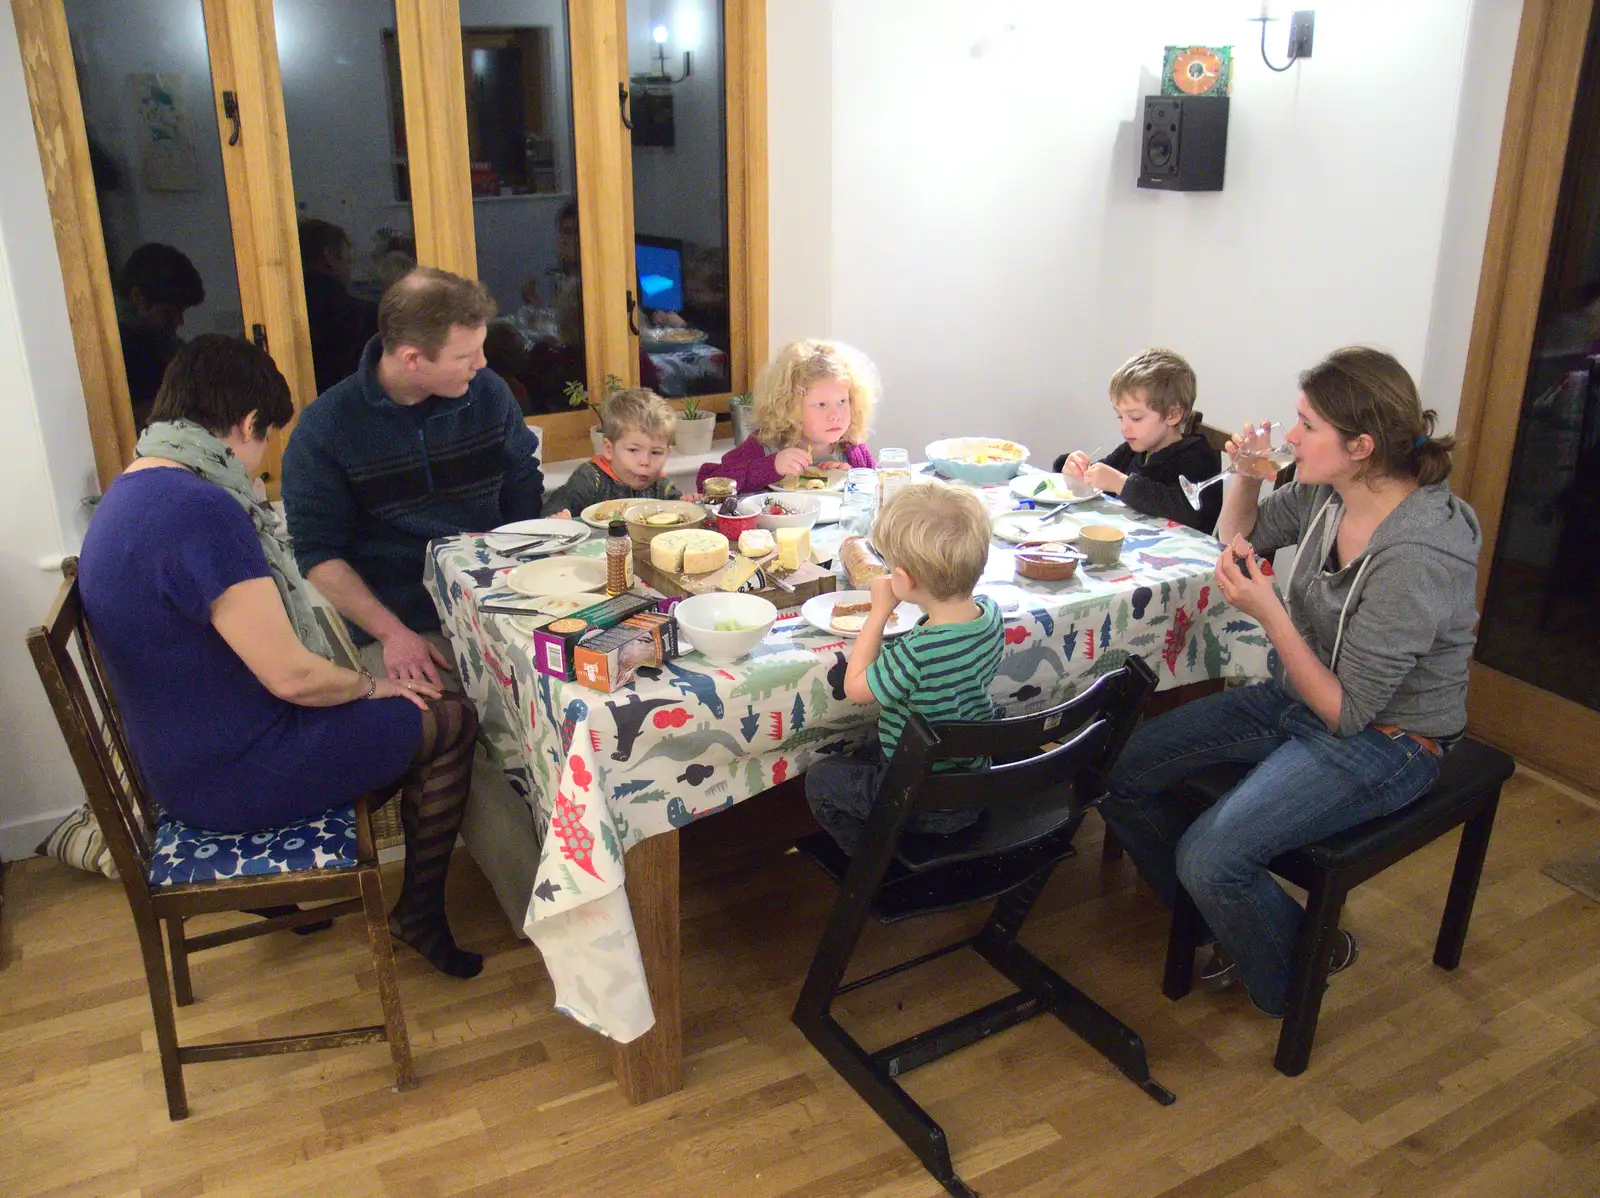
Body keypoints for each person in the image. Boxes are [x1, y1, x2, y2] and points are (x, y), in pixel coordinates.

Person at [77, 335, 484, 978]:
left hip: (178, 761)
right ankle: (418, 914)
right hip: (231, 776)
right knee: (450, 716)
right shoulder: (201, 509)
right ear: (245, 424)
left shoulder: (130, 490)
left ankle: (295, 895)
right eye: (262, 443)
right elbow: (291, 676)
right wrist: (373, 687)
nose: (258, 464)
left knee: (392, 700)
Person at [1095, 347, 1481, 1017]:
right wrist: (1244, 475)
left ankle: (1289, 977)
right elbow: (1236, 538)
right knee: (1114, 771)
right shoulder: (1331, 491)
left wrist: (1271, 613)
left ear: (1361, 445)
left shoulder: (1417, 552)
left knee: (1211, 856)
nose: (1291, 436)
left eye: (1306, 425)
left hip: (1388, 739)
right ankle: (1250, 931)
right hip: (1298, 696)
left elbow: (1348, 713)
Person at [282, 266, 545, 690]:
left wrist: (530, 563)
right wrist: (392, 634)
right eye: (465, 356)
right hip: (405, 621)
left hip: (503, 601)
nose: (481, 363)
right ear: (412, 359)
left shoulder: (489, 393)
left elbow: (522, 480)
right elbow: (318, 553)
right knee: (442, 724)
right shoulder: (325, 429)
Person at [806, 482, 1004, 855]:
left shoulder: (917, 652)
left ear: (904, 579)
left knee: (822, 779)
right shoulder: (991, 615)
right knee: (867, 751)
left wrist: (878, 611)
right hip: (973, 782)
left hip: (921, 798)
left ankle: (875, 861)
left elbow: (857, 688)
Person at [1054, 348, 1222, 534]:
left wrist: (1122, 484)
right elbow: (1101, 477)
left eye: (1135, 418)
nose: (1124, 428)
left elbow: (1188, 512)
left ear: (1173, 415)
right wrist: (1075, 468)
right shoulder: (1136, 448)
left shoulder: (1198, 456)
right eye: (1120, 417)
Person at [698, 339, 879, 493]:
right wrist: (771, 467)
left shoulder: (851, 449)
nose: (835, 416)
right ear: (788, 407)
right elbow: (708, 484)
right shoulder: (765, 447)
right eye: (821, 405)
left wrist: (852, 478)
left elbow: (875, 494)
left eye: (842, 401)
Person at [545, 387, 682, 514]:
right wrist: (559, 518)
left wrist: (690, 504)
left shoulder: (662, 487)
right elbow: (554, 508)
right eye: (633, 450)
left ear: (667, 453)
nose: (645, 462)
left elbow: (681, 512)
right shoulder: (590, 478)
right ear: (609, 450)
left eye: (656, 452)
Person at [117, 242, 205, 431]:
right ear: (139, 298)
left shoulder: (166, 345)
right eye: (169, 312)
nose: (179, 321)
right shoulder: (122, 353)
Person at [299, 217, 379, 395]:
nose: (348, 270)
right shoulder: (363, 315)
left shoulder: (282, 318)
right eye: (347, 260)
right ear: (329, 257)